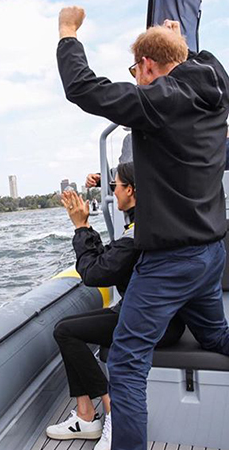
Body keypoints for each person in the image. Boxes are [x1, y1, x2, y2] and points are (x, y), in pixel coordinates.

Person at [57, 9, 229, 450]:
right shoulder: (215, 87)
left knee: (128, 365)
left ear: (148, 67)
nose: (136, 80)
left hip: (172, 262)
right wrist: (179, 43)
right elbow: (201, 62)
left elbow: (83, 88)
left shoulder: (157, 102)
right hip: (212, 255)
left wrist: (68, 32)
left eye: (137, 71)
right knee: (217, 336)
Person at [46, 163, 184, 450]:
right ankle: (85, 415)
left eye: (115, 187)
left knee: (66, 332)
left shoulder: (137, 234)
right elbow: (108, 260)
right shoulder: (148, 221)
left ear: (130, 191)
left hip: (149, 322)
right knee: (67, 329)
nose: (112, 194)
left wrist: (81, 227)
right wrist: (101, 186)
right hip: (149, 313)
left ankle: (111, 410)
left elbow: (95, 274)